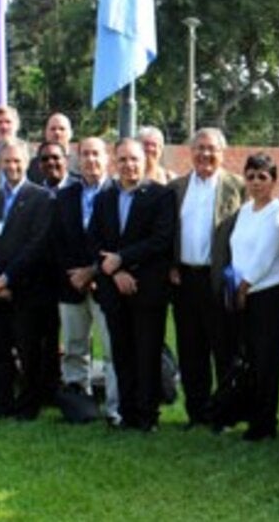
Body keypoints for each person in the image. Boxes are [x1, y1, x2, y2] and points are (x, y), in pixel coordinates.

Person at [88, 138, 176, 431]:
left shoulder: (162, 196)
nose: (129, 165)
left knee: (147, 353)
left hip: (147, 288)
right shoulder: (105, 199)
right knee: (121, 353)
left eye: (134, 159)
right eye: (123, 159)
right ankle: (126, 414)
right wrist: (114, 272)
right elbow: (95, 242)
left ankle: (147, 416)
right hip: (114, 288)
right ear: (115, 162)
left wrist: (123, 259)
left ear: (145, 160)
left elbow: (161, 240)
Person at [167, 127, 245, 428]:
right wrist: (170, 265)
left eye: (211, 148)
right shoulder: (176, 189)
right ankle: (197, 413)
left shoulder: (237, 186)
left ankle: (223, 414)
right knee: (190, 351)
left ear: (222, 153)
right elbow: (167, 233)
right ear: (190, 152)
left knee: (223, 349)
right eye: (199, 148)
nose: (205, 154)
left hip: (219, 280)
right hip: (184, 279)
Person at [0, 139, 56, 419]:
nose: (11, 166)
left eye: (16, 161)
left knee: (28, 351)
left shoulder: (42, 198)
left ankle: (27, 407)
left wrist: (8, 279)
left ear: (26, 163)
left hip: (26, 289)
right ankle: (0, 405)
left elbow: (38, 244)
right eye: (7, 161)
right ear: (0, 163)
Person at [229, 153, 279, 440]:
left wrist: (244, 286)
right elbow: (237, 250)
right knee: (251, 358)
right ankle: (252, 414)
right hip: (244, 294)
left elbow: (266, 255)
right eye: (251, 176)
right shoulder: (244, 210)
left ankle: (266, 422)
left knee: (267, 360)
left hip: (268, 294)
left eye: (262, 177)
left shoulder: (278, 213)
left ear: (274, 181)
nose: (255, 183)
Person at [56, 136, 119, 422]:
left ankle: (115, 409)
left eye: (96, 154)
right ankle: (78, 407)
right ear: (77, 159)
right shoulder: (65, 195)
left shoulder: (118, 193)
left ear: (106, 158)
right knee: (74, 349)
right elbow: (55, 240)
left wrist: (94, 272)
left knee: (111, 351)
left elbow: (119, 241)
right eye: (85, 154)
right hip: (71, 286)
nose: (91, 160)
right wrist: (76, 275)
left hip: (106, 284)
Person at [27, 113, 76, 184]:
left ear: (71, 133)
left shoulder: (80, 162)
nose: (57, 132)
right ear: (45, 133)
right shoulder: (33, 166)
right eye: (53, 129)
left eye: (62, 129)